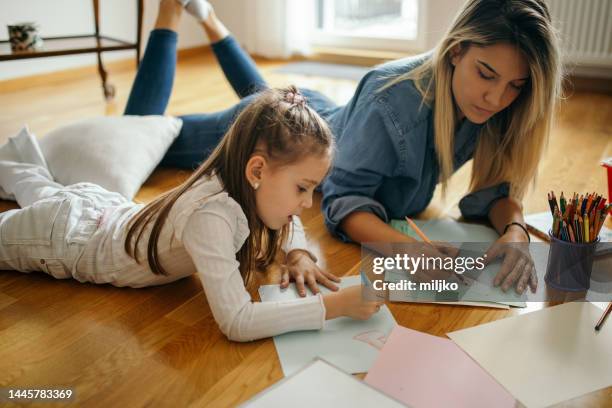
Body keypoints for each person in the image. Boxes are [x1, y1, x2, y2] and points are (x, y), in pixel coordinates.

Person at [0, 2, 385, 343]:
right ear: (257, 169)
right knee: (34, 208)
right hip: (66, 240)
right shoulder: (212, 216)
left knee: (40, 188)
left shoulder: (242, 181)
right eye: (303, 188)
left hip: (100, 208)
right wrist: (335, 306)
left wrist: (297, 251)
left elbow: (286, 213)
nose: (305, 204)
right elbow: (237, 320)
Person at [155, 0, 561, 294]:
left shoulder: (505, 105)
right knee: (148, 133)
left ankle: (207, 17)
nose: (495, 98)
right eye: (486, 74)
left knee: (263, 91)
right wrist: (407, 251)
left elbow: (496, 193)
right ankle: (171, 10)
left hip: (322, 115)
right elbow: (344, 199)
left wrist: (515, 231)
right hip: (280, 134)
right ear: (456, 50)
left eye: (515, 86)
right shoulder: (391, 96)